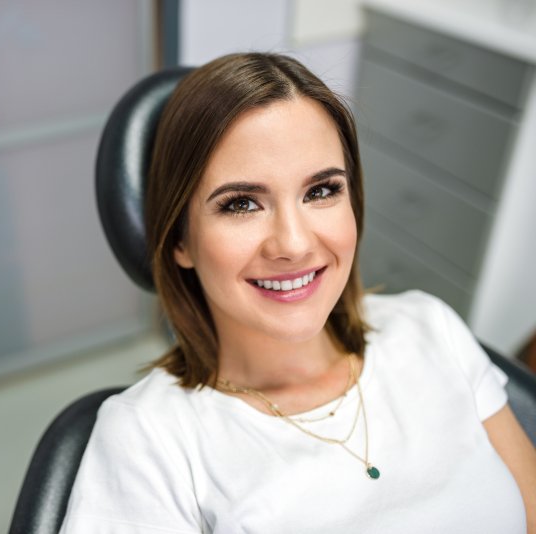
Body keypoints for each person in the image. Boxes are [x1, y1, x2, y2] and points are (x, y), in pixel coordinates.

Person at [60, 53, 536, 533]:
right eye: (242, 204)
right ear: (180, 238)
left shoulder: (431, 329)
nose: (294, 243)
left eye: (321, 191)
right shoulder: (146, 438)